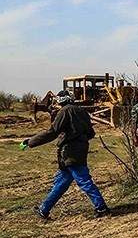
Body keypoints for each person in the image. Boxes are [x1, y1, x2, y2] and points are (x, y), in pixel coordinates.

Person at [21, 90, 111, 220]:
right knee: (61, 182)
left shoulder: (64, 112)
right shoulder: (82, 112)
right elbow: (91, 133)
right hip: (80, 149)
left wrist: (30, 142)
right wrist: (81, 141)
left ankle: (101, 208)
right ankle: (44, 210)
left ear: (60, 100)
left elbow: (52, 132)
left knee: (84, 180)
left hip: (70, 152)